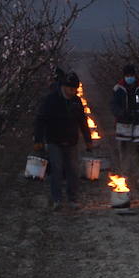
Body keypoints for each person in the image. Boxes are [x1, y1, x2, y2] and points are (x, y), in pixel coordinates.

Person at [33, 70, 91, 210]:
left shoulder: (76, 101)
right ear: (64, 86)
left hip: (71, 141)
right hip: (54, 140)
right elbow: (41, 119)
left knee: (73, 170)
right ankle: (57, 199)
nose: (73, 92)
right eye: (71, 89)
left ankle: (73, 198)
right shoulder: (51, 100)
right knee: (56, 169)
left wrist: (88, 139)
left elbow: (83, 121)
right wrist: (38, 139)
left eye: (75, 89)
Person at [110, 64, 139, 179]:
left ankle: (136, 174)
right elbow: (113, 105)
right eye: (127, 75)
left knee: (137, 149)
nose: (129, 78)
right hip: (124, 123)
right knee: (124, 148)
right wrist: (122, 113)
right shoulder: (118, 89)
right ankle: (125, 172)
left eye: (131, 75)